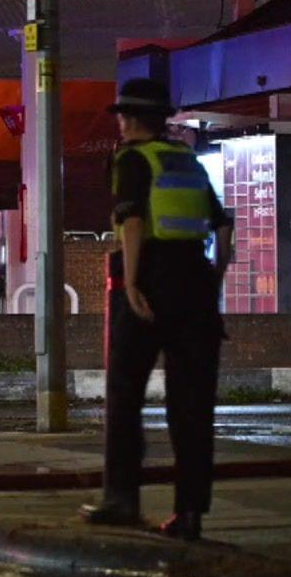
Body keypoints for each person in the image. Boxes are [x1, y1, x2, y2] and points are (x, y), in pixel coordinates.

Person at [82, 77, 234, 541]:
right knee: (191, 406)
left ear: (132, 119)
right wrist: (214, 280)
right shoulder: (186, 160)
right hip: (197, 283)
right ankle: (189, 514)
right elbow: (223, 227)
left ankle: (122, 500)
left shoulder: (131, 159)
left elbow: (131, 219)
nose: (121, 123)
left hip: (151, 279)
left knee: (125, 394)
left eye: (124, 116)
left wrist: (129, 281)